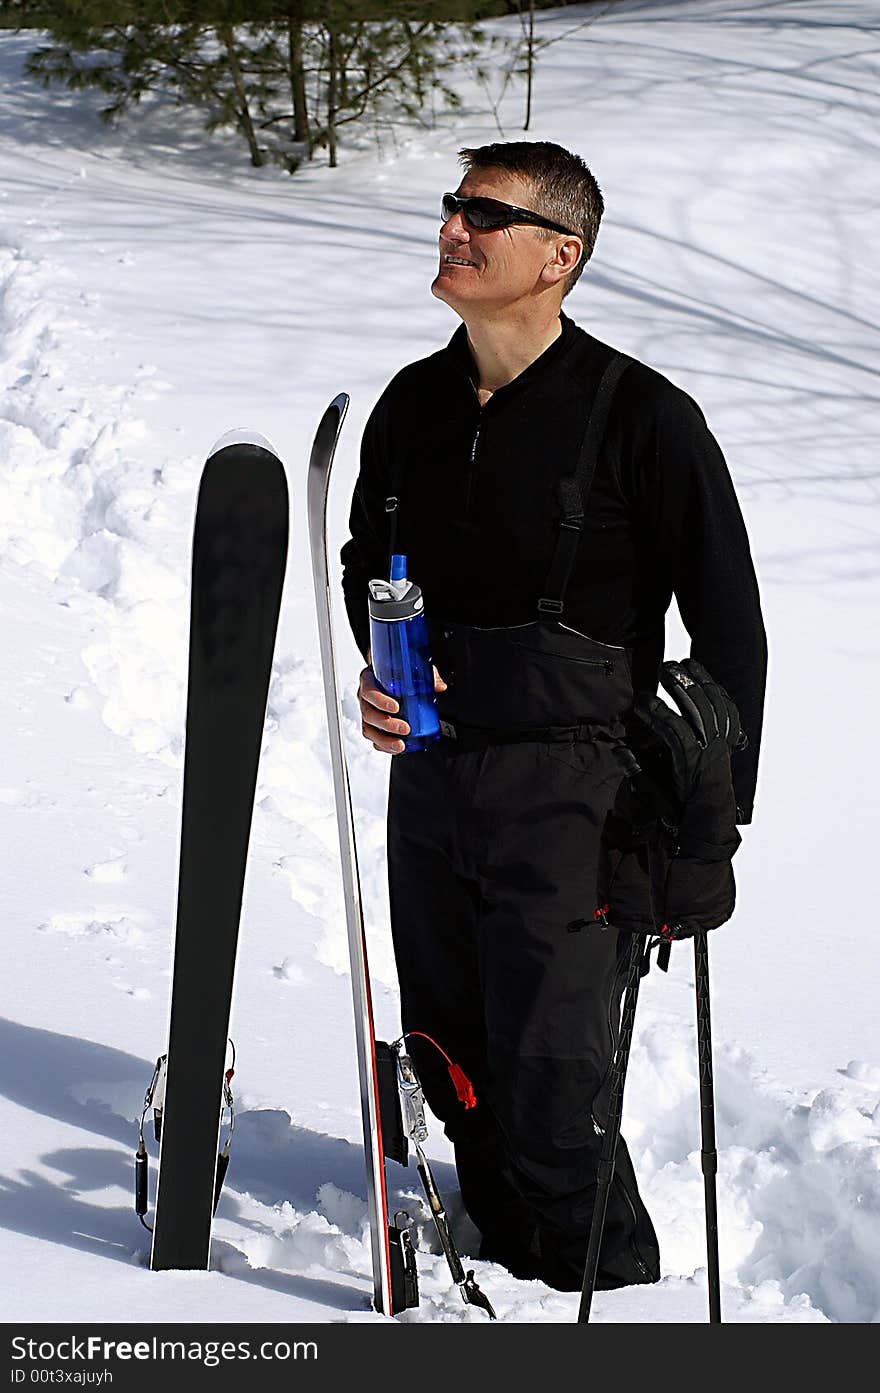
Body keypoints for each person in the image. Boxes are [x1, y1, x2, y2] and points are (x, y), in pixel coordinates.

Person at [340, 141, 767, 1292]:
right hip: (432, 780)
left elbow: (730, 634)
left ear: (556, 257)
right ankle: (503, 1283)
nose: (453, 227)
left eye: (486, 214)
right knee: (452, 1057)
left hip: (582, 798)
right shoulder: (411, 404)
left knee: (549, 1088)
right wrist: (383, 678)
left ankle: (609, 1300)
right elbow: (362, 564)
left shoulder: (643, 417)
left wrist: (701, 832)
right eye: (452, 205)